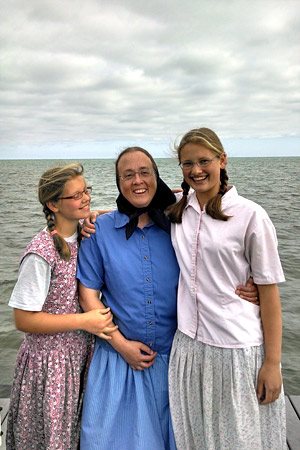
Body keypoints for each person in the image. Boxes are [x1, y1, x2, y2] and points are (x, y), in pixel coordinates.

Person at [77, 147, 258, 450]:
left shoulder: (180, 221)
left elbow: (223, 248)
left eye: (145, 172)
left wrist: (252, 283)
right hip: (118, 361)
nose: (137, 181)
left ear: (157, 177)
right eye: (128, 175)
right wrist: (121, 345)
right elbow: (87, 297)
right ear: (118, 182)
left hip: (176, 362)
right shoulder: (100, 231)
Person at [167, 128, 286, 450]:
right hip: (188, 346)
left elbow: (270, 294)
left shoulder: (250, 215)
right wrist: (93, 217)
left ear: (222, 160)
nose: (196, 170)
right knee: (195, 437)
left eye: (204, 160)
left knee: (239, 439)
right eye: (187, 163)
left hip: (235, 347)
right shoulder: (178, 208)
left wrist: (272, 364)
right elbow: (132, 207)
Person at [6, 163, 116, 450]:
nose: (85, 198)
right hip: (49, 363)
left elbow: (108, 216)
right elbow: (23, 319)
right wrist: (84, 321)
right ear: (53, 204)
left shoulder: (83, 233)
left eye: (86, 191)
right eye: (76, 195)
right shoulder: (41, 252)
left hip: (77, 355)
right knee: (50, 437)